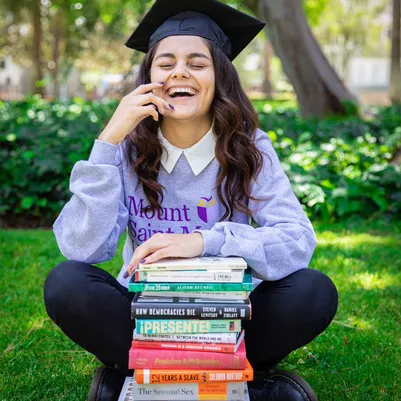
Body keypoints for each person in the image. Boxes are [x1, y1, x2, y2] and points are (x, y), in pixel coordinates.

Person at [43, 1, 338, 400]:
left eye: (197, 63)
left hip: (228, 314)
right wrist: (107, 141)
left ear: (219, 78)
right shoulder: (125, 150)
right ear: (148, 79)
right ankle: (248, 385)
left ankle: (134, 381)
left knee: (313, 290)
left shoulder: (249, 148)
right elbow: (82, 248)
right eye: (165, 63)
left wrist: (206, 241)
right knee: (67, 284)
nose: (179, 71)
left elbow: (297, 239)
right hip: (146, 316)